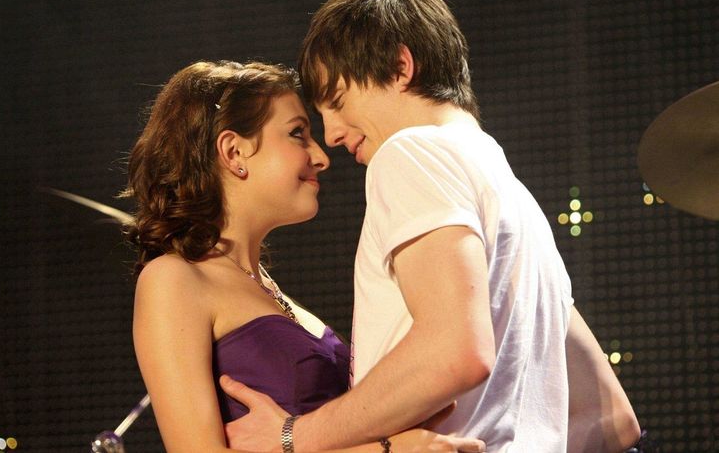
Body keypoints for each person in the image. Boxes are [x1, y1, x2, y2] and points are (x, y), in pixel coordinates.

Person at [219, 0, 641, 452]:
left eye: (337, 102)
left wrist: (293, 436)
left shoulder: (410, 152)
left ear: (400, 67)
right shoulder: (514, 197)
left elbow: (456, 352)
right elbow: (613, 420)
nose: (333, 134)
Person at [124, 60, 486, 452]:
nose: (321, 156)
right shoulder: (173, 279)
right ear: (234, 152)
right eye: (298, 133)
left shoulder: (271, 291)